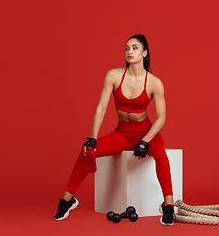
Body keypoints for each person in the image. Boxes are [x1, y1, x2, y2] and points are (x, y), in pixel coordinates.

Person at [54, 34, 175, 225]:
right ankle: (67, 200)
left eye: (135, 48)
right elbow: (101, 108)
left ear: (144, 53)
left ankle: (168, 206)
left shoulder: (154, 83)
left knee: (160, 152)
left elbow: (162, 119)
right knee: (87, 151)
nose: (129, 52)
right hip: (123, 133)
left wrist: (145, 141)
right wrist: (93, 138)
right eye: (127, 48)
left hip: (146, 133)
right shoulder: (114, 75)